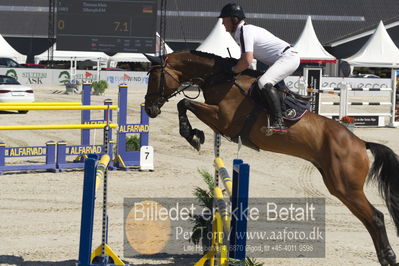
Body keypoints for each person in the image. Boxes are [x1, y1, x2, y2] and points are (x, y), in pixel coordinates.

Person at [219, 3, 300, 134]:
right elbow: (246, 62)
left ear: (234, 19)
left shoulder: (244, 31)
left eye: (224, 19)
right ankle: (282, 111)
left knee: (263, 82)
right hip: (283, 59)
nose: (222, 23)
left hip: (287, 58)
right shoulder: (242, 32)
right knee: (258, 81)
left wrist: (232, 71)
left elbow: (247, 61)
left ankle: (278, 123)